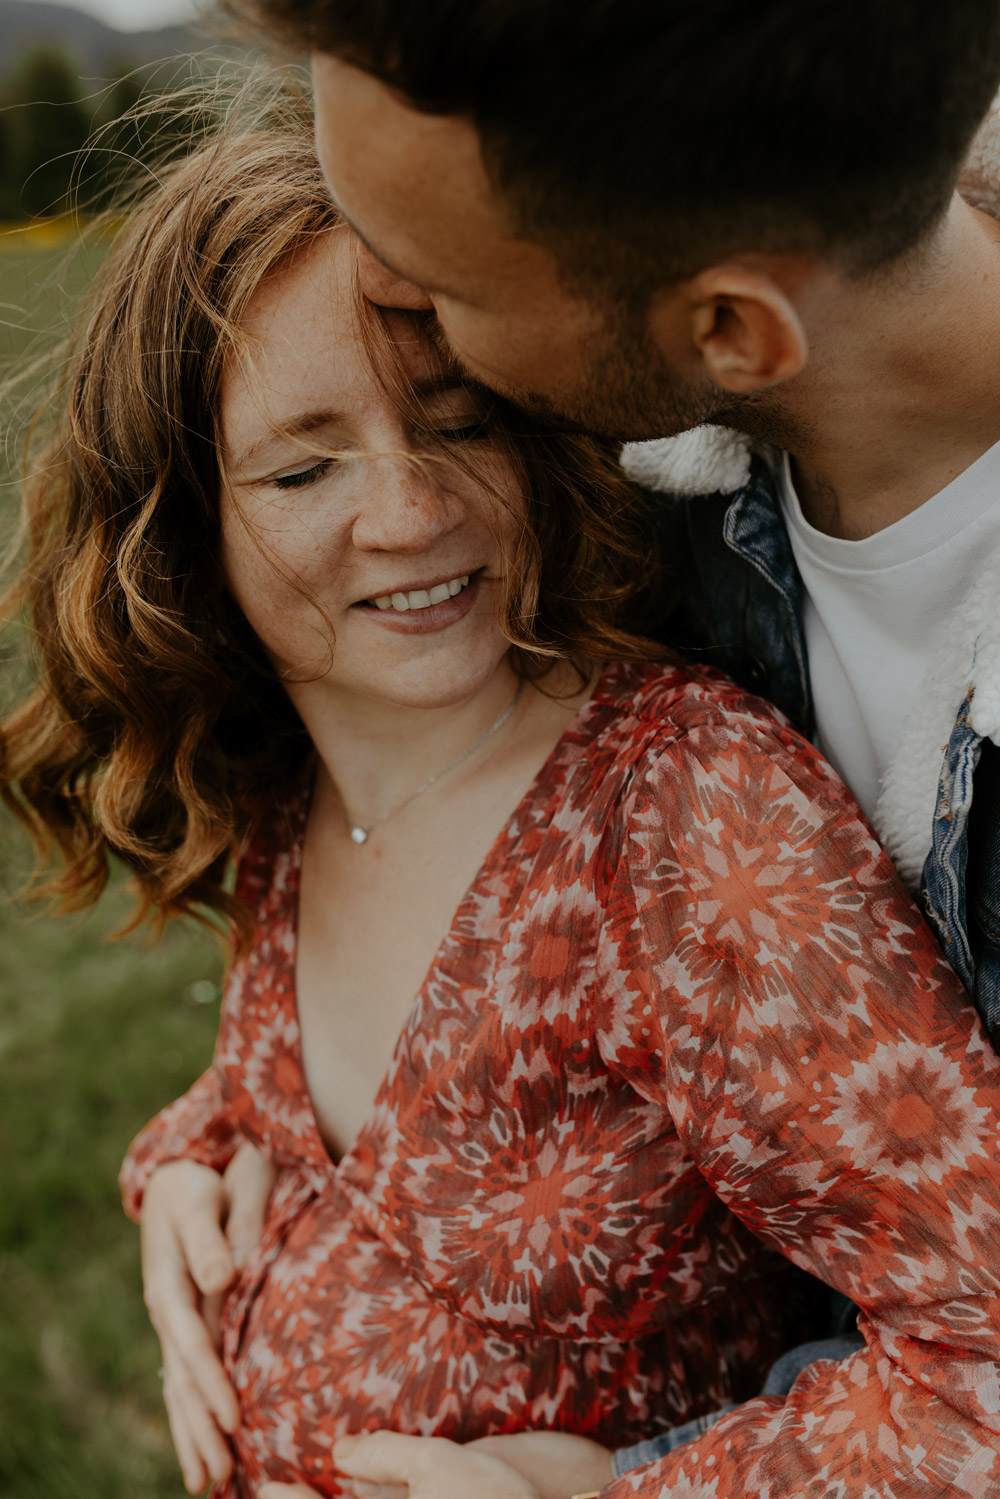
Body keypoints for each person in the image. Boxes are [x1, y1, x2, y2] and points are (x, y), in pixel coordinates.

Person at [5, 83, 1000, 1499]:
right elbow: (309, 1101)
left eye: (461, 421)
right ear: (181, 533)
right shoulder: (303, 787)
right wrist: (188, 1155)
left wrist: (597, 1495)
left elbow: (981, 1358)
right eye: (299, 468)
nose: (410, 514)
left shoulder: (676, 820)